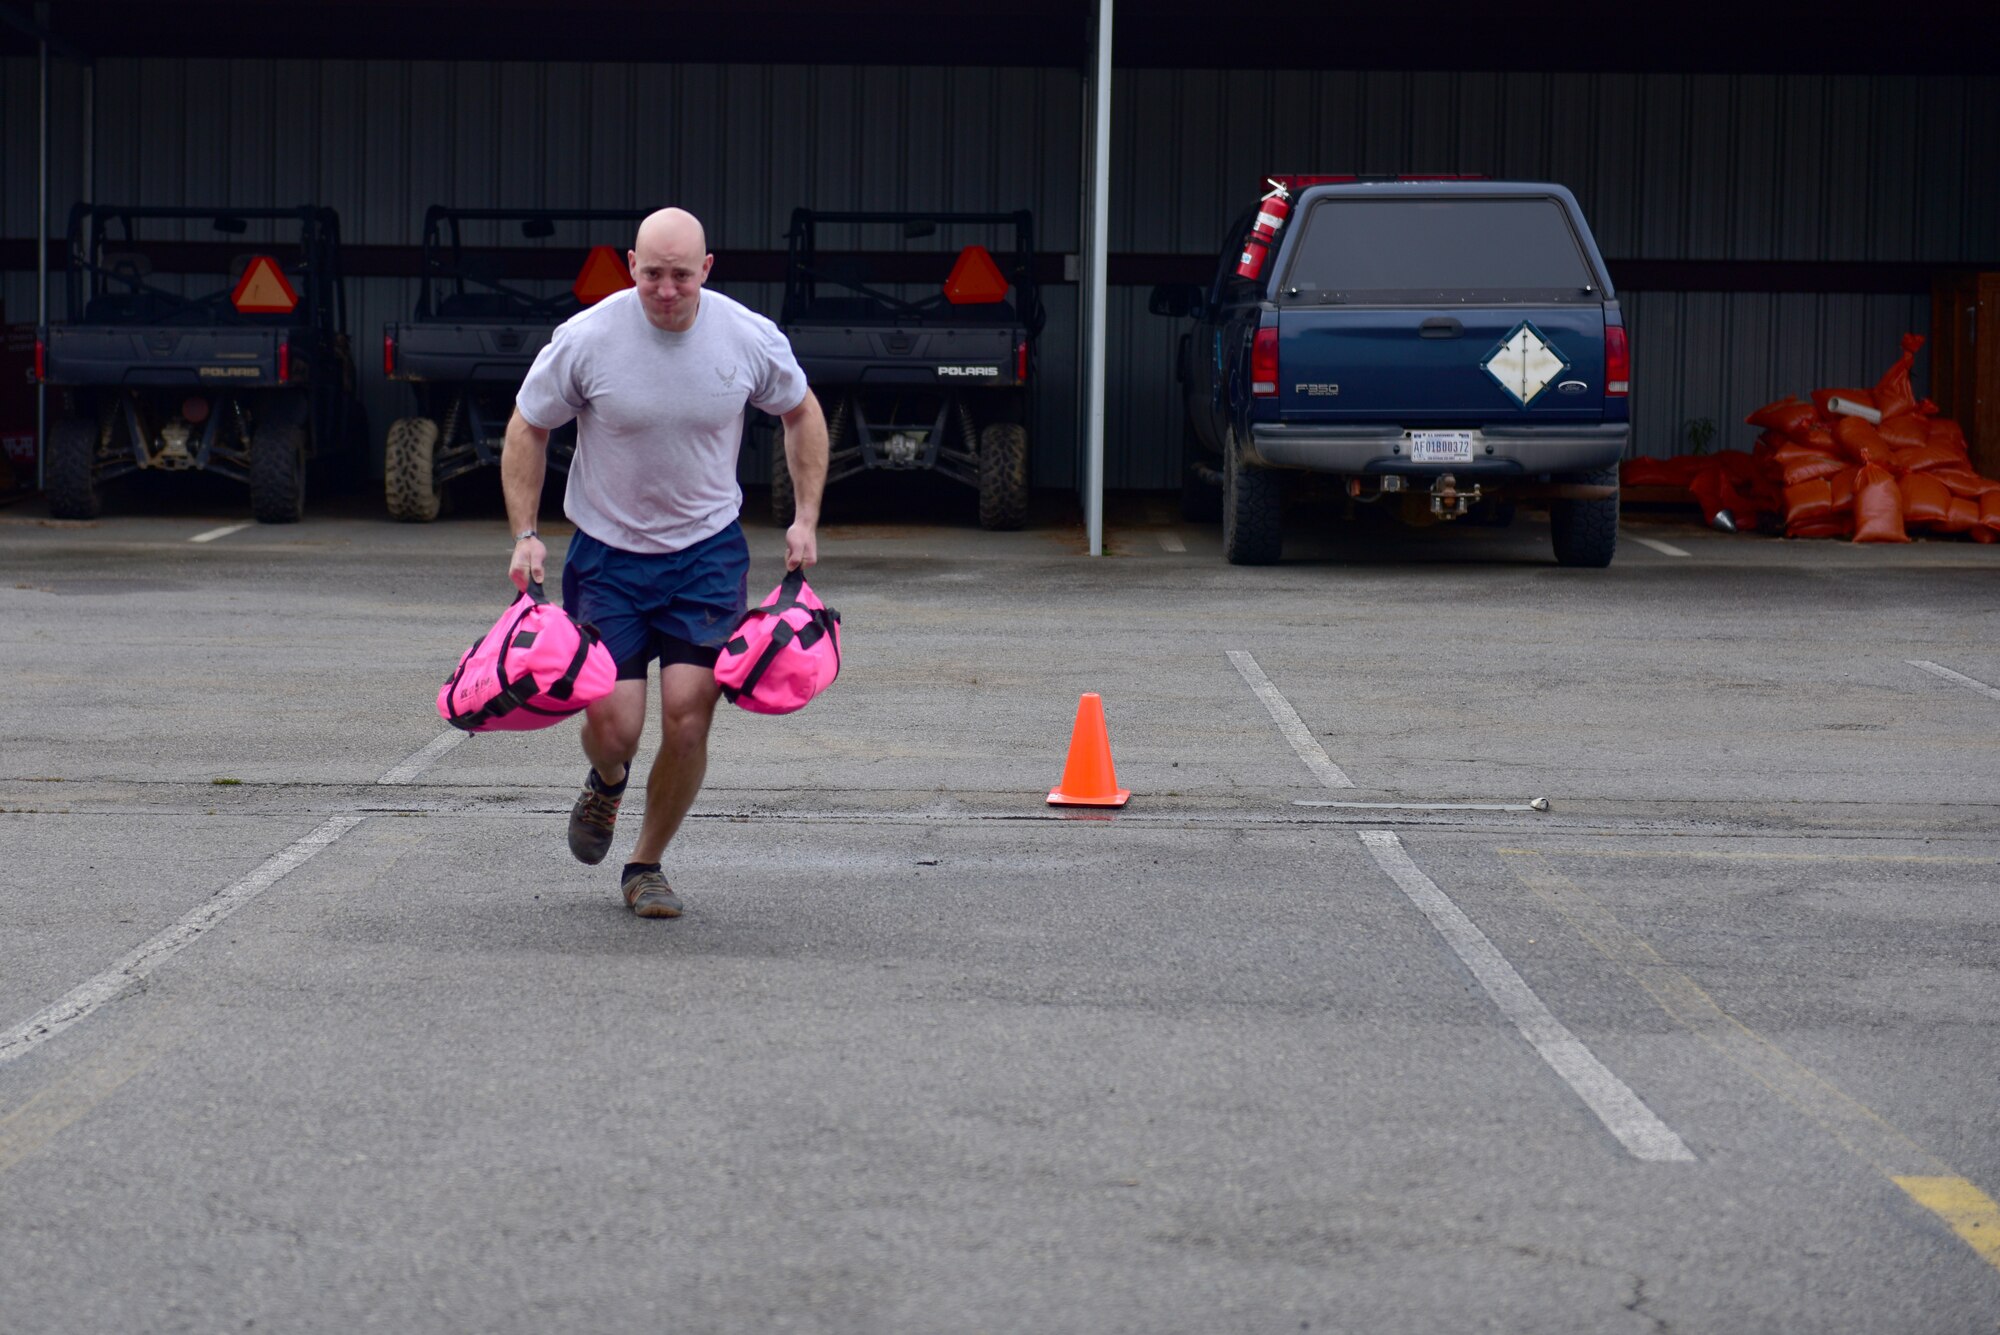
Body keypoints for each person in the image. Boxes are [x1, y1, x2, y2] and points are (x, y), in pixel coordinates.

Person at [502, 207, 828, 919]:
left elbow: (802, 412)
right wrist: (525, 531)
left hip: (705, 555)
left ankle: (645, 863)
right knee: (615, 726)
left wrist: (805, 518)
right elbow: (527, 425)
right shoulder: (588, 339)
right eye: (653, 274)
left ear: (707, 269)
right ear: (630, 266)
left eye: (682, 274)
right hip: (608, 557)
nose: (668, 290)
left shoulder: (746, 337)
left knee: (687, 720)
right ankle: (609, 777)